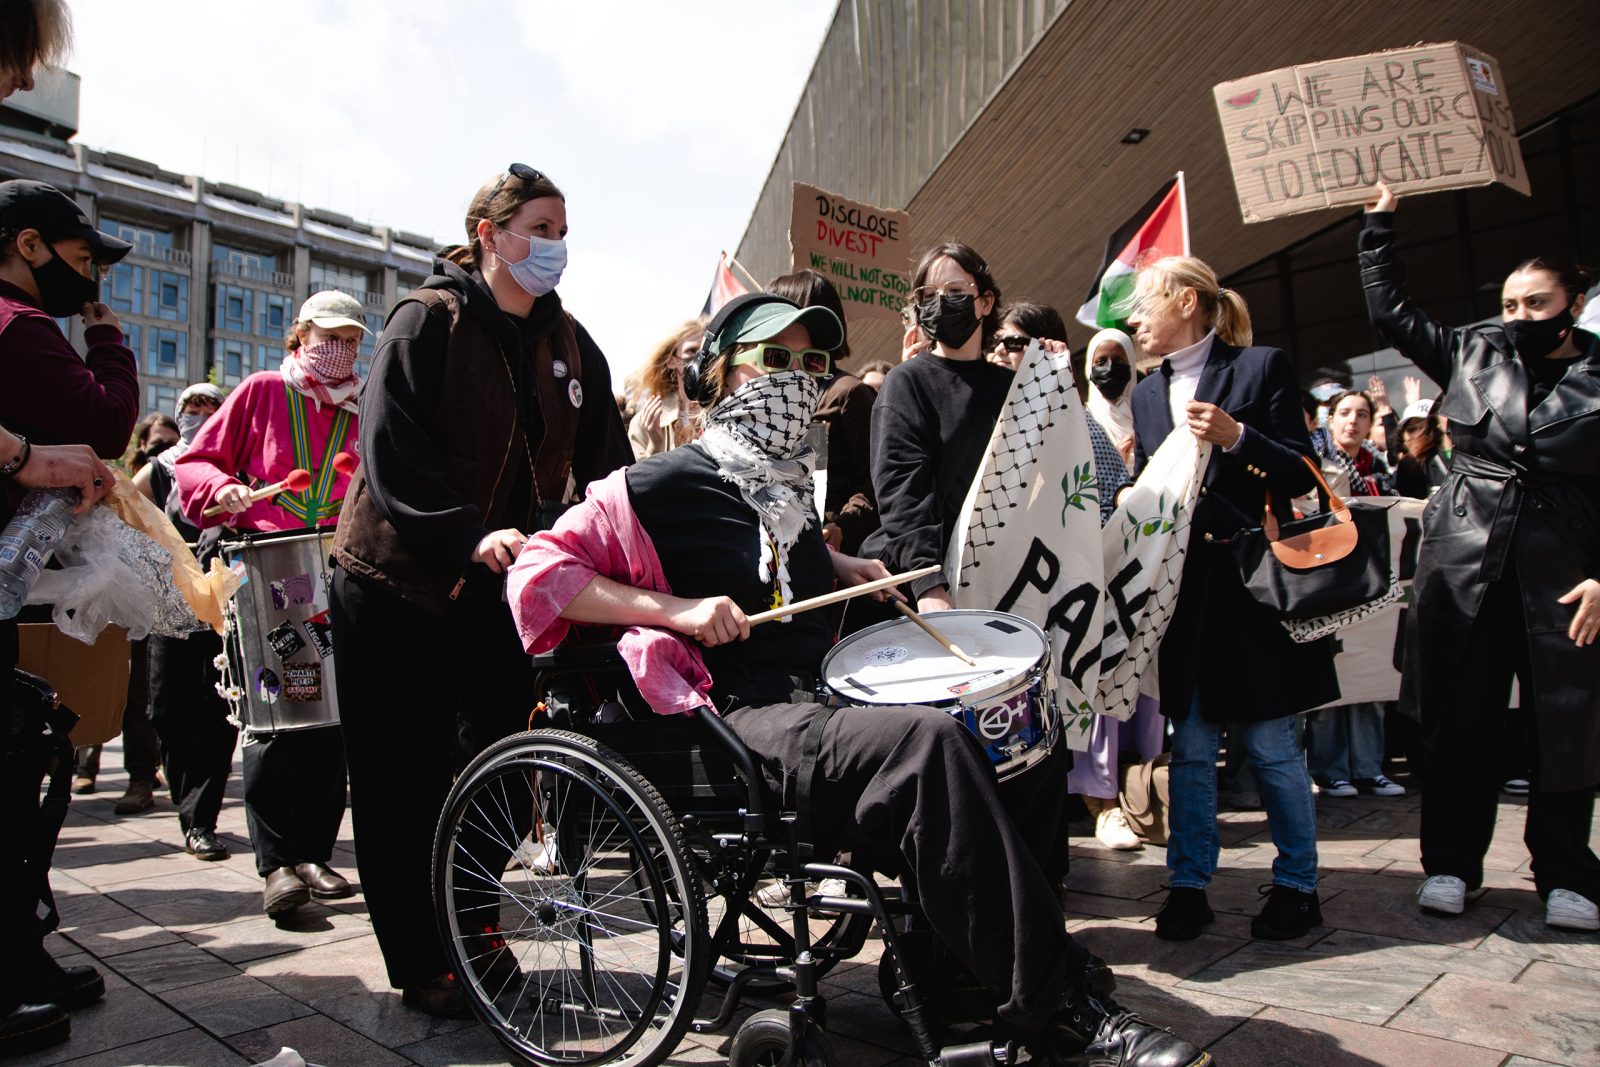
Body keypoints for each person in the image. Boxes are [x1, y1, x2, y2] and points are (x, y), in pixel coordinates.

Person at [509, 292, 1211, 1067]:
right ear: (722, 371)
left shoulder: (784, 489)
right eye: (776, 359)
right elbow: (537, 575)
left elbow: (770, 569)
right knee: (925, 744)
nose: (799, 376)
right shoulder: (659, 482)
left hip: (819, 700)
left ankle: (954, 965)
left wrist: (839, 563)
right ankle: (1059, 1003)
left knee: (1016, 735)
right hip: (733, 722)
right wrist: (677, 611)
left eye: (812, 361)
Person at [329, 164, 632, 1018]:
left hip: (497, 587)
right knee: (402, 778)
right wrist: (465, 530)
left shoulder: (572, 344)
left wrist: (629, 539)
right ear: (489, 234)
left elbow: (608, 469)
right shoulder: (428, 320)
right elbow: (391, 450)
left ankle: (471, 927)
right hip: (396, 580)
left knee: (501, 762)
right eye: (540, 228)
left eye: (562, 230)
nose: (555, 245)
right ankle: (426, 960)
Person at [1360, 183, 1600, 930]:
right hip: (1465, 567)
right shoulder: (1472, 350)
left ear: (1575, 302)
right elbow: (1391, 312)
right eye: (1510, 303)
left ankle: (1566, 873)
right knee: (1459, 719)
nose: (1520, 315)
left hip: (1565, 577)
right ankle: (1451, 863)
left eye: (1537, 302)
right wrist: (1378, 228)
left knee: (1566, 724)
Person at [1123, 255, 1333, 942]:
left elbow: (1302, 472)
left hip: (1251, 589)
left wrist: (1237, 437)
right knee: (1189, 749)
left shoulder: (1259, 367)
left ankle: (1298, 884)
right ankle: (1188, 885)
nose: (1134, 320)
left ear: (1186, 301)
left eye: (1145, 303)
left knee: (1272, 745)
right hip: (1183, 595)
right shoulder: (1147, 394)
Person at [0, 17, 133, 1040]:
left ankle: (19, 946)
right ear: (31, 247)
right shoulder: (22, 327)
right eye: (85, 262)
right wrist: (105, 330)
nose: (94, 282)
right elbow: (107, 420)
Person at [177, 292, 365, 917]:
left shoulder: (362, 408)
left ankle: (313, 853)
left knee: (330, 716)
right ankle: (276, 863)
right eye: (329, 337)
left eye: (352, 340)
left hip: (334, 568)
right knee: (272, 713)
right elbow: (197, 463)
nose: (341, 350)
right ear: (301, 335)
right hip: (266, 569)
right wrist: (225, 487)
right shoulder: (263, 390)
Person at [862, 242, 1010, 615]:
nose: (940, 303)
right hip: (924, 593)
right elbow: (902, 487)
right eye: (928, 295)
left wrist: (1053, 372)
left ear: (986, 302)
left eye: (955, 291)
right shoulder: (906, 382)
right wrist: (927, 581)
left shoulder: (1012, 387)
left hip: (994, 579)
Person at [141, 383, 238, 864]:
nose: (200, 416)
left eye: (210, 408)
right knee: (167, 708)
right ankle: (187, 804)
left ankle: (201, 820)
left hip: (222, 609)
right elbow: (123, 508)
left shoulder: (233, 469)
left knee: (219, 712)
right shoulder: (160, 469)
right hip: (171, 604)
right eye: (192, 409)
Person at [70, 411, 178, 805]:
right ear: (142, 445)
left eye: (170, 443)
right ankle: (84, 767)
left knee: (141, 694)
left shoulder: (175, 480)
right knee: (102, 681)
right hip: (115, 596)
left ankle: (141, 778)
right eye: (156, 443)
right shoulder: (123, 483)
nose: (162, 450)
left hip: (157, 599)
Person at [1304, 389, 1405, 800]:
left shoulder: (1381, 467)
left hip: (1373, 581)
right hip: (1331, 580)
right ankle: (1330, 769)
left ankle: (1369, 767)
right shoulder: (1314, 463)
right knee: (1335, 676)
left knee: (1370, 674)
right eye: (1344, 412)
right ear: (1330, 420)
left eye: (1362, 414)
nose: (1353, 421)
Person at [769, 269, 879, 555]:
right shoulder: (765, 393)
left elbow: (876, 482)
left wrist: (842, 526)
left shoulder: (848, 393)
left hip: (832, 553)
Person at [628, 318, 702, 459]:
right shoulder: (645, 422)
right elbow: (637, 472)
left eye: (704, 350)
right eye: (691, 351)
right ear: (672, 361)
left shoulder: (724, 411)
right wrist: (654, 446)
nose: (700, 357)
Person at [1083, 327, 1138, 471]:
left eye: (1118, 360)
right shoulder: (1084, 422)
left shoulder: (1149, 411)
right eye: (1101, 362)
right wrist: (1114, 462)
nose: (1110, 368)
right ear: (1089, 368)